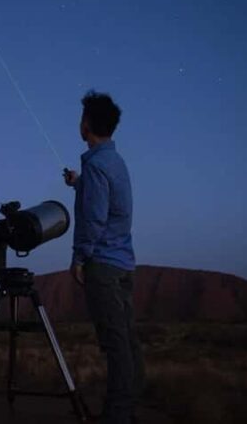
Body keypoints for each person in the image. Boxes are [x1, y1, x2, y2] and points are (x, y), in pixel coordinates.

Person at [63, 91, 144, 424]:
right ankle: (126, 411)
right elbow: (107, 203)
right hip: (123, 264)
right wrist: (78, 183)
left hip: (104, 266)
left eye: (82, 117)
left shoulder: (97, 165)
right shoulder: (113, 161)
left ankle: (118, 417)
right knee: (126, 341)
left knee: (115, 345)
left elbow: (95, 219)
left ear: (87, 125)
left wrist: (79, 258)